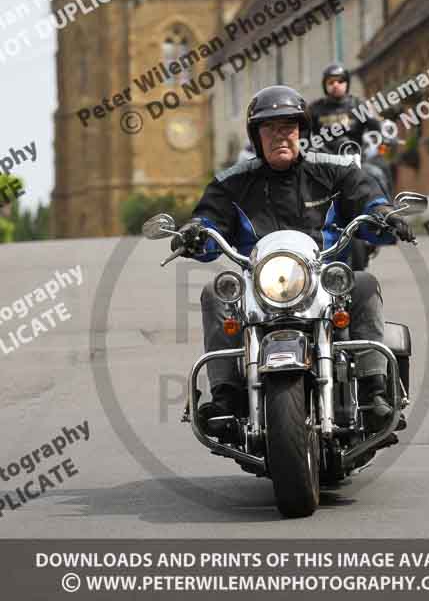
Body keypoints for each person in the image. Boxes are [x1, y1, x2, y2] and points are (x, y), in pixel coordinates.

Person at [170, 86, 414, 430]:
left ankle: (375, 391)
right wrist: (196, 232)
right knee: (217, 293)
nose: (279, 135)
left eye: (288, 126)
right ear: (256, 136)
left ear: (302, 131)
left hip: (324, 280)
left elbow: (366, 197)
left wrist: (383, 213)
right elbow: (211, 218)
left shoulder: (333, 170)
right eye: (269, 128)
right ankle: (225, 397)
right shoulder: (232, 183)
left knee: (364, 283)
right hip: (261, 285)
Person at [309, 64, 386, 270]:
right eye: (331, 82)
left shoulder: (357, 106)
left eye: (340, 81)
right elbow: (303, 134)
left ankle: (381, 219)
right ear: (325, 85)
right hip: (323, 165)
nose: (336, 85)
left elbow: (376, 126)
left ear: (347, 83)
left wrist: (384, 135)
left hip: (354, 161)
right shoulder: (315, 109)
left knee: (377, 173)